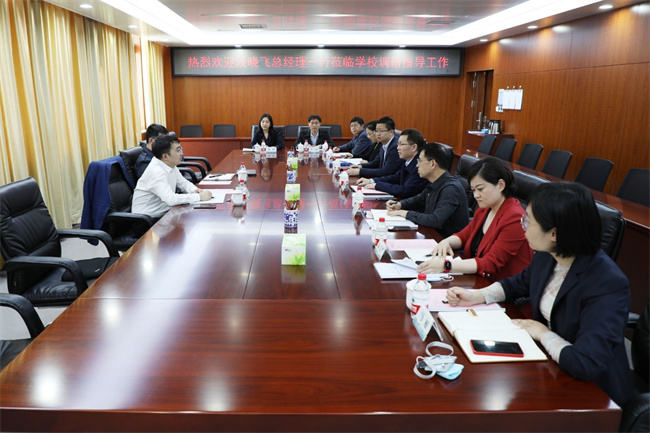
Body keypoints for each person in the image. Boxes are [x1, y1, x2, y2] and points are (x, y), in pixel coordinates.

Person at [445, 182, 635, 408]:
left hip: (594, 395)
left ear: (554, 233)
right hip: (551, 366)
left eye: (528, 220)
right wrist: (477, 296)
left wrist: (542, 333)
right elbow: (516, 284)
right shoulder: (547, 255)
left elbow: (586, 362)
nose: (522, 225)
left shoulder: (607, 283)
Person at [417, 156, 532, 280]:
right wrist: (446, 242)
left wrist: (446, 265)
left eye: (480, 189)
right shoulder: (486, 208)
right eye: (473, 190)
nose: (476, 195)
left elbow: (490, 263)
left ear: (500, 185)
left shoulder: (515, 218)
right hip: (475, 279)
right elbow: (464, 236)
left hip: (498, 285)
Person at [386, 142, 468, 237]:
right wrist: (400, 205)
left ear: (432, 164)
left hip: (444, 241)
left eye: (419, 161)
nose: (417, 165)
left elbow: (435, 220)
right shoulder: (435, 181)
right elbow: (419, 199)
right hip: (431, 235)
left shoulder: (451, 189)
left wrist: (405, 213)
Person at [132, 134, 212, 219]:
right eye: (178, 150)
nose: (181, 154)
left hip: (164, 213)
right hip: (147, 220)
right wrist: (199, 197)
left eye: (181, 149)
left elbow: (183, 183)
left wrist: (195, 190)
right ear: (165, 156)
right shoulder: (156, 172)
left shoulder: (169, 164)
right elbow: (170, 199)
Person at [356, 128, 429, 199]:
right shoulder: (408, 161)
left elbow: (405, 190)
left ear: (413, 147)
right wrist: (371, 181)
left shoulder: (419, 165)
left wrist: (378, 185)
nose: (398, 148)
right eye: (398, 144)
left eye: (401, 144)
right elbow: (395, 178)